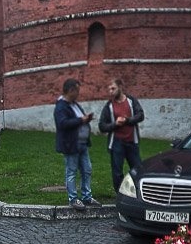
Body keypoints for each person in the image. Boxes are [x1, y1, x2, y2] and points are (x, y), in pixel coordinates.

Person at [54, 77, 99, 209]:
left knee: (87, 170)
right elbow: (63, 123)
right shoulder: (61, 107)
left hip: (82, 143)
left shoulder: (74, 104)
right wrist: (81, 120)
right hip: (71, 144)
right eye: (77, 91)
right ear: (70, 90)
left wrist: (85, 120)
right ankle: (73, 198)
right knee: (71, 171)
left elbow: (79, 120)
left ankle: (87, 196)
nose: (78, 94)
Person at [98, 79, 145, 190]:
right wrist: (115, 124)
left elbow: (140, 115)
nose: (111, 92)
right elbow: (102, 126)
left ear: (120, 87)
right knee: (117, 172)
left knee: (137, 169)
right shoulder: (109, 106)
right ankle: (120, 194)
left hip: (132, 142)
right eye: (109, 89)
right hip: (116, 143)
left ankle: (139, 192)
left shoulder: (131, 101)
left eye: (113, 88)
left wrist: (127, 120)